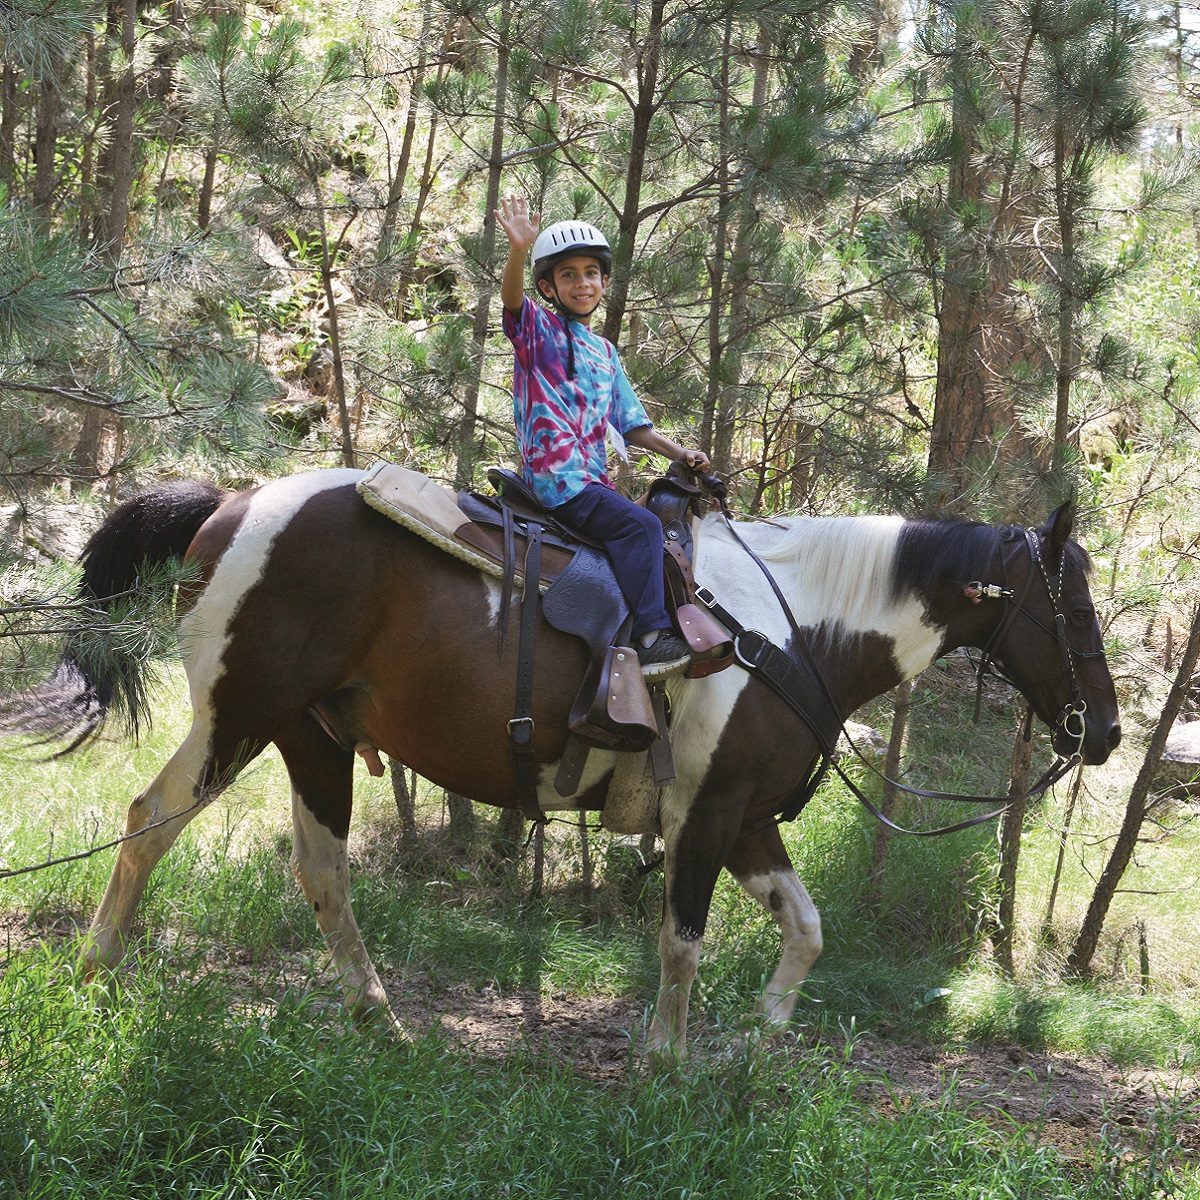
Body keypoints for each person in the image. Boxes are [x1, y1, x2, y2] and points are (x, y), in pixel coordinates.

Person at [495, 194, 710, 679]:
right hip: (558, 482)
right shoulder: (537, 330)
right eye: (567, 275)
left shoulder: (605, 353)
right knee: (642, 527)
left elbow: (633, 424)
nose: (582, 283)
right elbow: (511, 300)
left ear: (605, 281)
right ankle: (653, 636)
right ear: (548, 287)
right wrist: (517, 251)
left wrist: (682, 453)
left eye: (590, 272)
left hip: (594, 482)